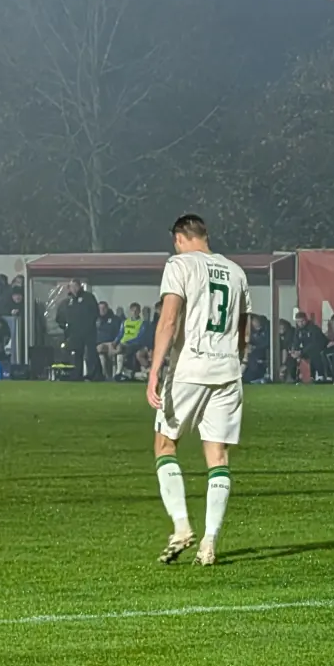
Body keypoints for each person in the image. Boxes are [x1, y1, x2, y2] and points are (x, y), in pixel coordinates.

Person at [146, 215, 250, 567]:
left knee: (165, 443)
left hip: (190, 366)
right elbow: (243, 332)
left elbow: (169, 319)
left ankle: (180, 527)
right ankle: (209, 543)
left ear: (179, 238)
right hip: (228, 370)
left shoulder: (179, 265)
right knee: (217, 456)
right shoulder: (236, 272)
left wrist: (155, 369)